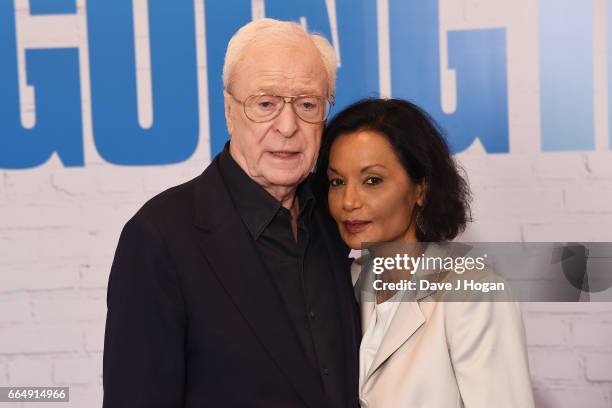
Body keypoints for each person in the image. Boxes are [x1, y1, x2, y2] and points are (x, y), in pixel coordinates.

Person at [103, 19, 360, 408]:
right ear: (229, 110)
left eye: (308, 104)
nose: (288, 126)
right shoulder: (159, 237)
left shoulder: (338, 217)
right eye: (265, 103)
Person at [314, 98, 535, 408]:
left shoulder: (473, 295)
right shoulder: (341, 284)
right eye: (337, 181)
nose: (348, 201)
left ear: (421, 189)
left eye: (372, 180)